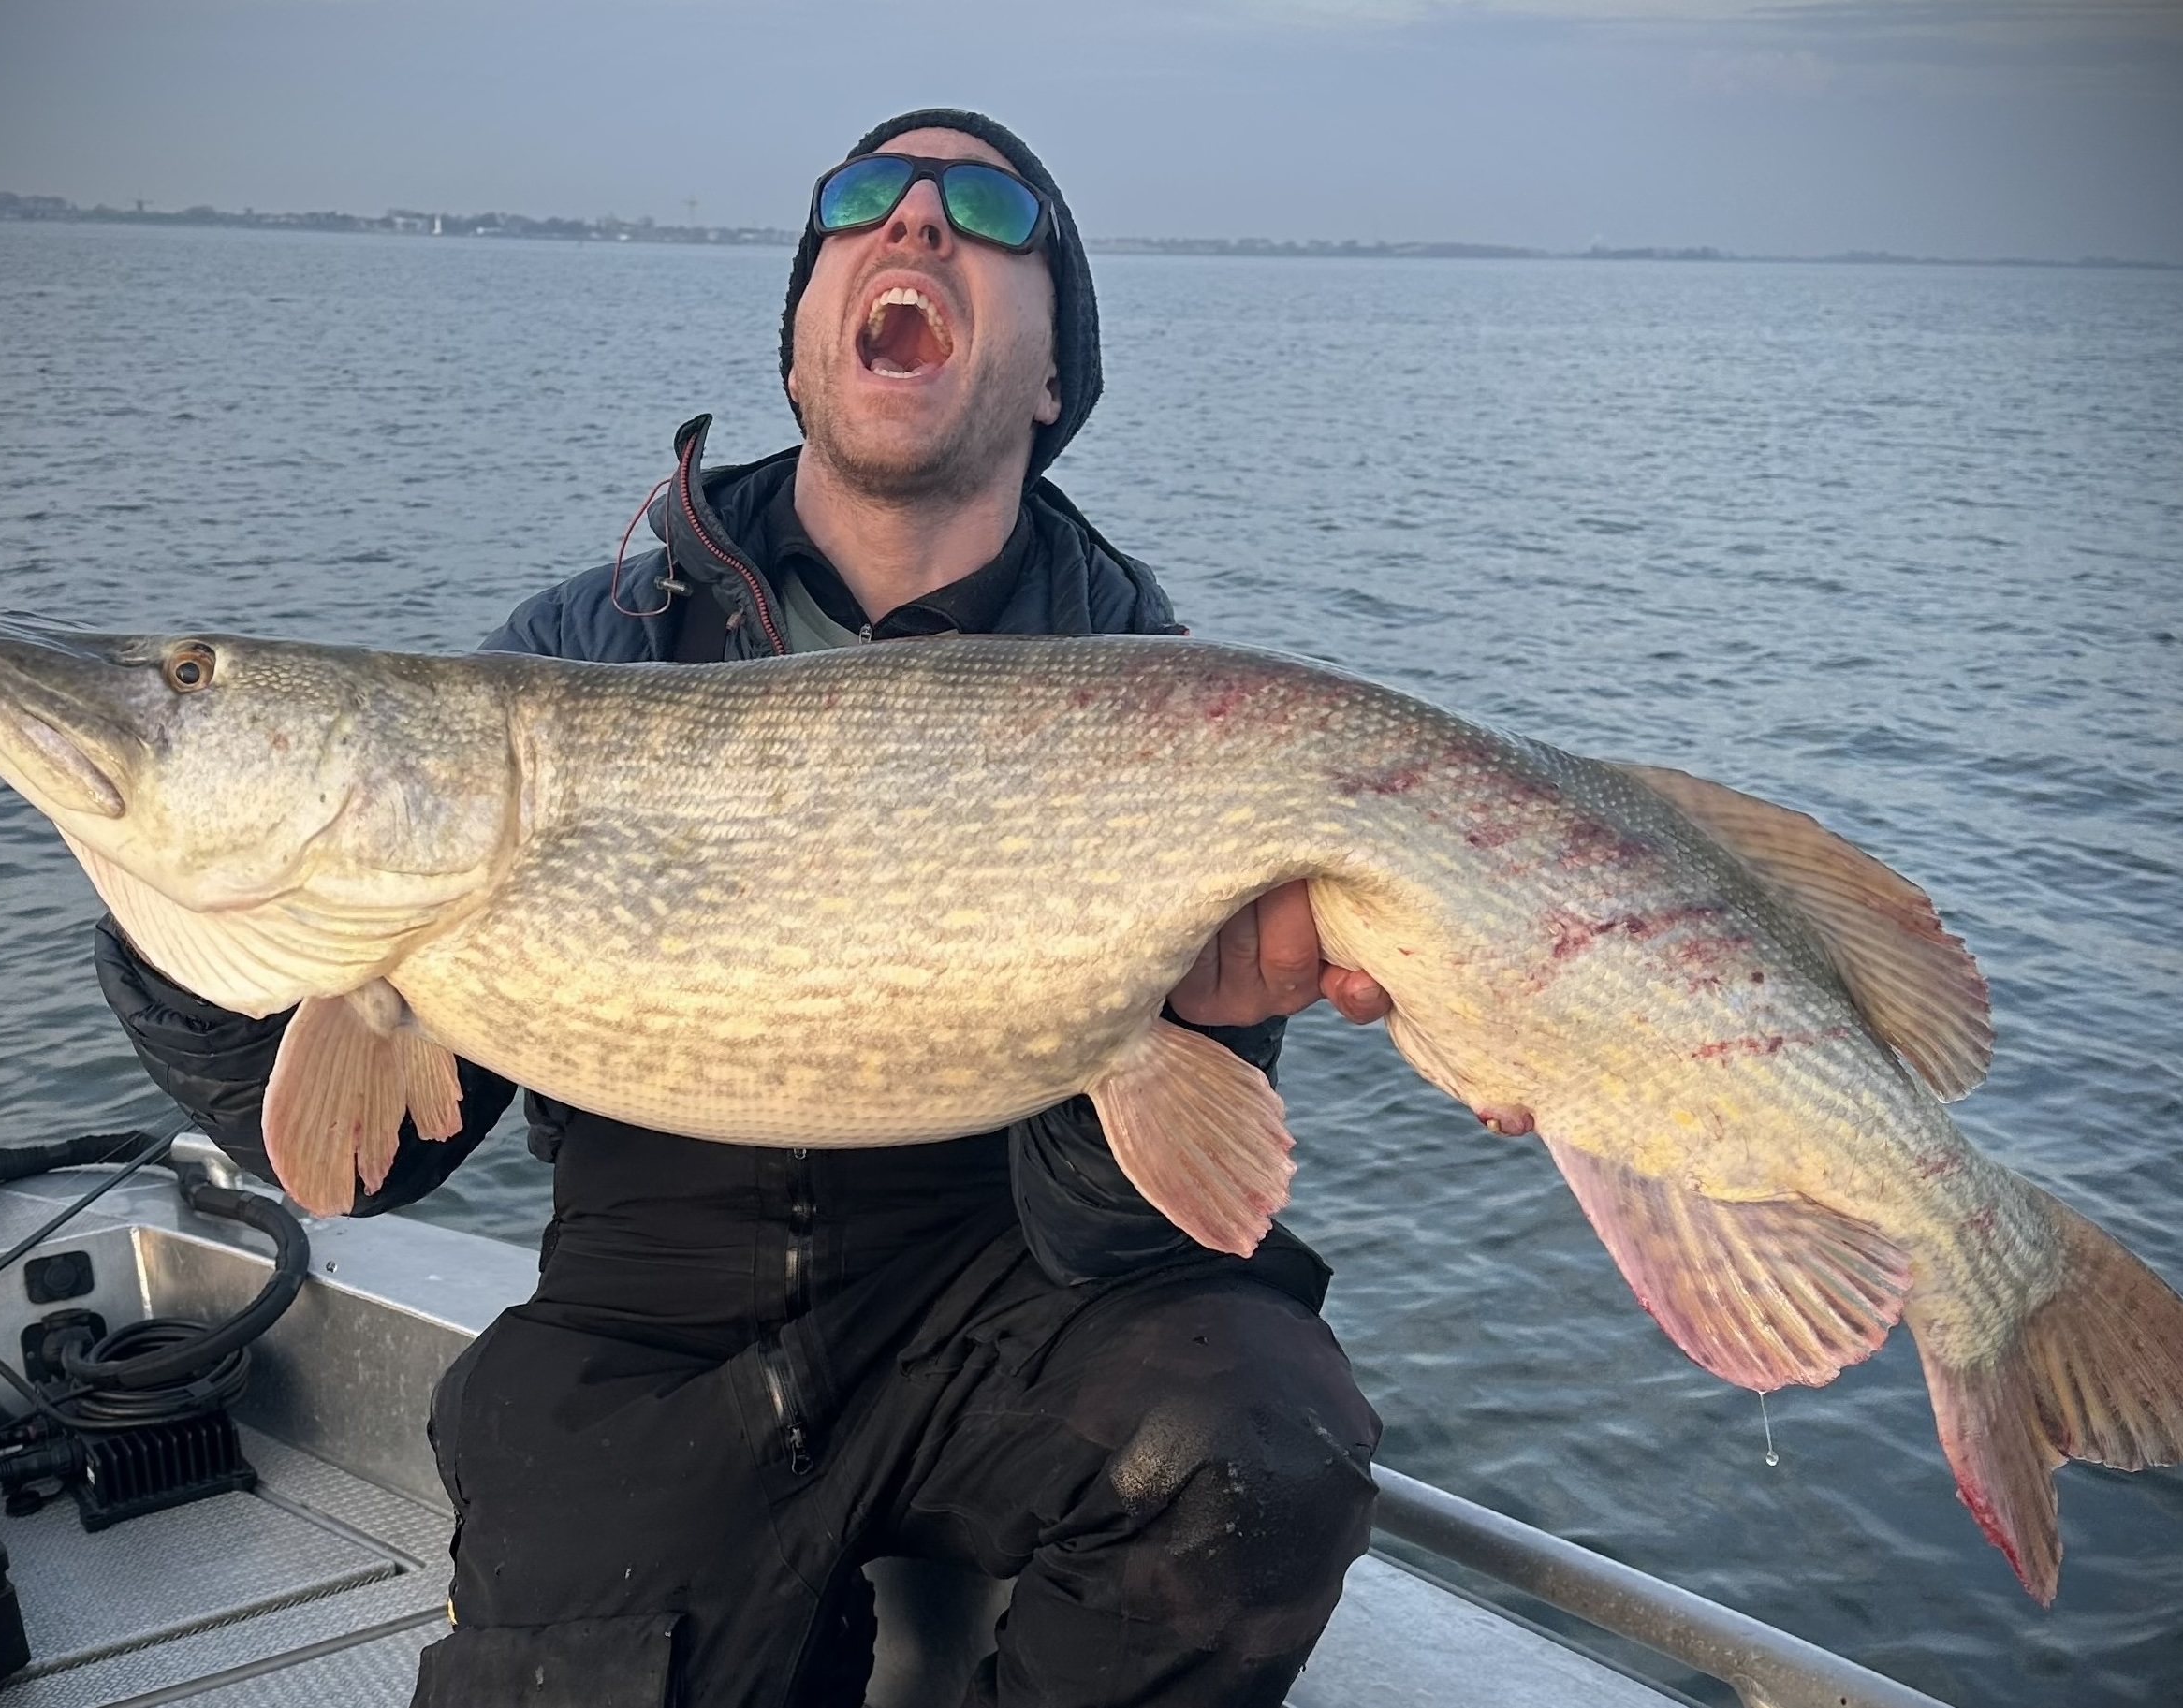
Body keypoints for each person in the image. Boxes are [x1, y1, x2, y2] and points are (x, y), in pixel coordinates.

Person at [95, 109, 1394, 1707]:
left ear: (1056, 375)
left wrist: (1207, 1015)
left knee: (1256, 1436)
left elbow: (1121, 1223)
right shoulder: (586, 648)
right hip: (651, 1316)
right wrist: (191, 924)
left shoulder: (1150, 692)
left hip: (1005, 1294)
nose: (913, 223)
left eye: (987, 211)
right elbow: (382, 1151)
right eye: (862, 202)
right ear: (799, 346)